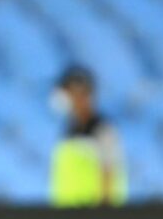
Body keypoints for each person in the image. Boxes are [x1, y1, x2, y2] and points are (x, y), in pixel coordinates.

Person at [48, 65, 127, 207]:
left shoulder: (102, 131)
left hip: (94, 218)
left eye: (69, 92)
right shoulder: (68, 132)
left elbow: (109, 170)